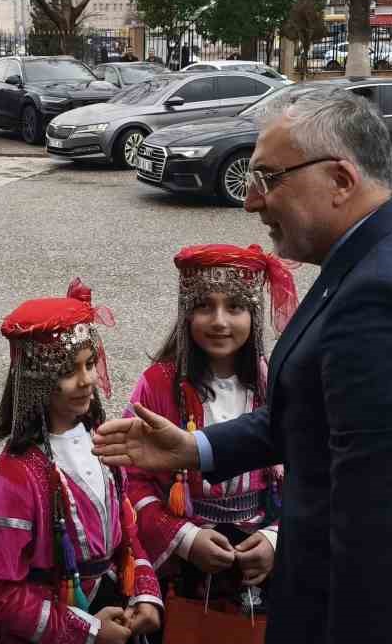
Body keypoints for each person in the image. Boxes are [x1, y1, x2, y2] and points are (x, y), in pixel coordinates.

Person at [93, 85, 392, 644]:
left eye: (266, 177)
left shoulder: (384, 298)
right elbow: (315, 415)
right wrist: (197, 446)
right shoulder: (374, 258)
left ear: (341, 179)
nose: (249, 199)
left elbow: (375, 535)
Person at [0, 280, 162, 644]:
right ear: (38, 379)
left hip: (113, 618)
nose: (86, 380)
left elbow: (125, 527)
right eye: (68, 370)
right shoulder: (17, 475)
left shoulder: (102, 439)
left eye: (90, 363)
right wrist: (86, 633)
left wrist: (145, 591)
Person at [124, 244, 297, 608]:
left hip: (260, 556)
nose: (220, 321)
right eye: (205, 306)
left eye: (234, 307)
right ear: (186, 314)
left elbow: (307, 470)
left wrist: (274, 540)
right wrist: (184, 538)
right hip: (186, 560)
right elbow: (131, 480)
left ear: (253, 313)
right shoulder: (157, 385)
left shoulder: (275, 382)